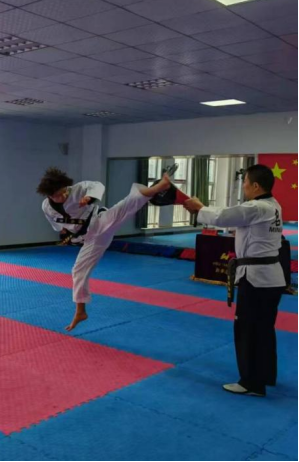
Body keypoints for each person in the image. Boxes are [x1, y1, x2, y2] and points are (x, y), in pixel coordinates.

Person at [185, 165, 285, 397]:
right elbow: (236, 219)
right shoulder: (274, 205)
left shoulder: (257, 207)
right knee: (264, 329)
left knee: (248, 329)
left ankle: (251, 383)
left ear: (256, 186)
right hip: (271, 277)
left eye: (246, 182)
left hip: (256, 278)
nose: (244, 186)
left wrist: (199, 207)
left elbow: (223, 216)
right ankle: (266, 375)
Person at [38, 167, 175, 332]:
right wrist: (65, 232)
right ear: (49, 195)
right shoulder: (46, 206)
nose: (62, 196)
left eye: (63, 192)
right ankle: (80, 312)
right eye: (57, 195)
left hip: (99, 220)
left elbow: (97, 186)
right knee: (78, 271)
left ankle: (159, 186)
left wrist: (89, 197)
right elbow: (58, 225)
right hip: (91, 239)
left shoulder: (78, 189)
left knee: (125, 206)